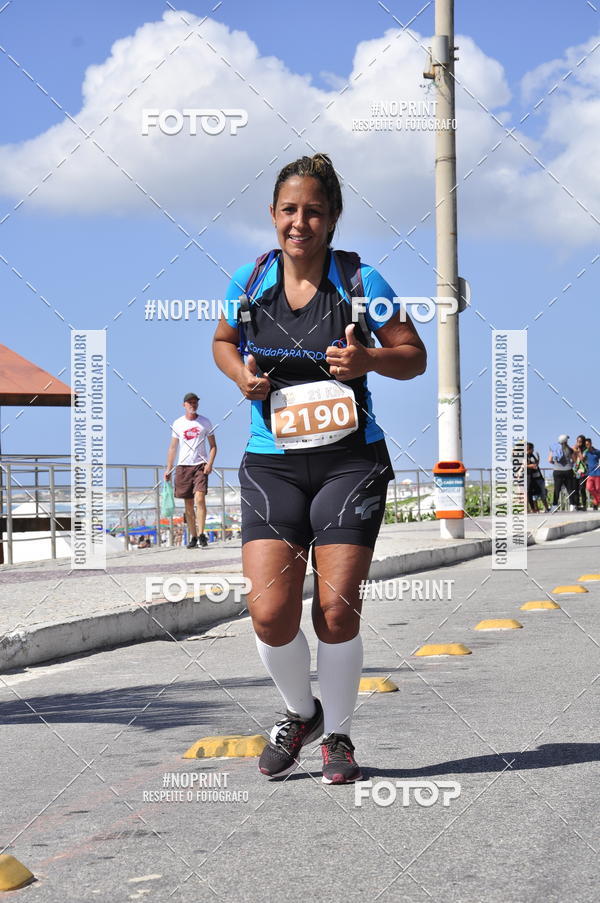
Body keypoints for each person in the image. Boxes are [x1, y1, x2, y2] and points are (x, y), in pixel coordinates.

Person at [212, 152, 426, 784]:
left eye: (312, 211)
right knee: (269, 612)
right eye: (288, 210)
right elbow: (224, 342)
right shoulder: (249, 283)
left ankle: (337, 734)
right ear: (272, 216)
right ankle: (299, 712)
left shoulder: (362, 283)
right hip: (271, 464)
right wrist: (241, 375)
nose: (298, 222)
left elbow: (411, 355)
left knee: (335, 609)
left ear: (332, 220)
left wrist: (368, 363)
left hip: (350, 463)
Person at [164, 392, 217, 548]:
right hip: (183, 466)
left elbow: (213, 446)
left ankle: (202, 534)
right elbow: (173, 447)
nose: (193, 405)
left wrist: (210, 463)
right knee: (188, 504)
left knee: (200, 499)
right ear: (184, 405)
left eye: (195, 402)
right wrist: (169, 468)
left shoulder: (205, 422)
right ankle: (193, 536)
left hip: (200, 465)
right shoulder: (178, 423)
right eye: (190, 402)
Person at [548, 434, 575, 511]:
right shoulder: (570, 449)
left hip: (557, 471)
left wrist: (556, 464)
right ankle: (572, 505)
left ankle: (554, 506)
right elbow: (574, 460)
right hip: (568, 470)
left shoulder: (553, 448)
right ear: (566, 441)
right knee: (570, 488)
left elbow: (549, 460)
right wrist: (570, 465)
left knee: (557, 488)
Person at [526, 442, 549, 513]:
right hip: (531, 478)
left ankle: (547, 508)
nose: (533, 450)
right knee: (533, 495)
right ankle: (535, 509)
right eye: (532, 448)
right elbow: (523, 465)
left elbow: (536, 464)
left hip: (538, 477)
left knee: (542, 493)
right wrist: (531, 466)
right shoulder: (524, 456)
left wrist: (538, 459)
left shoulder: (532, 455)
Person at [572, 434, 588, 511]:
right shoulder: (575, 449)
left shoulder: (586, 450)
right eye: (577, 441)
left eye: (580, 442)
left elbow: (582, 459)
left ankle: (584, 505)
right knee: (575, 489)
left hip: (583, 472)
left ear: (583, 442)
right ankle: (577, 504)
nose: (579, 443)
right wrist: (574, 451)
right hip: (576, 472)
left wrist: (579, 451)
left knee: (582, 489)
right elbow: (574, 460)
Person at [585, 438, 600, 510]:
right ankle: (597, 501)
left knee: (597, 489)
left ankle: (595, 504)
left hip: (597, 473)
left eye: (588, 444)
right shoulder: (586, 452)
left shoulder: (597, 451)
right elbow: (582, 459)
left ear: (591, 443)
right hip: (590, 474)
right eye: (586, 445)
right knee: (589, 488)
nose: (587, 446)